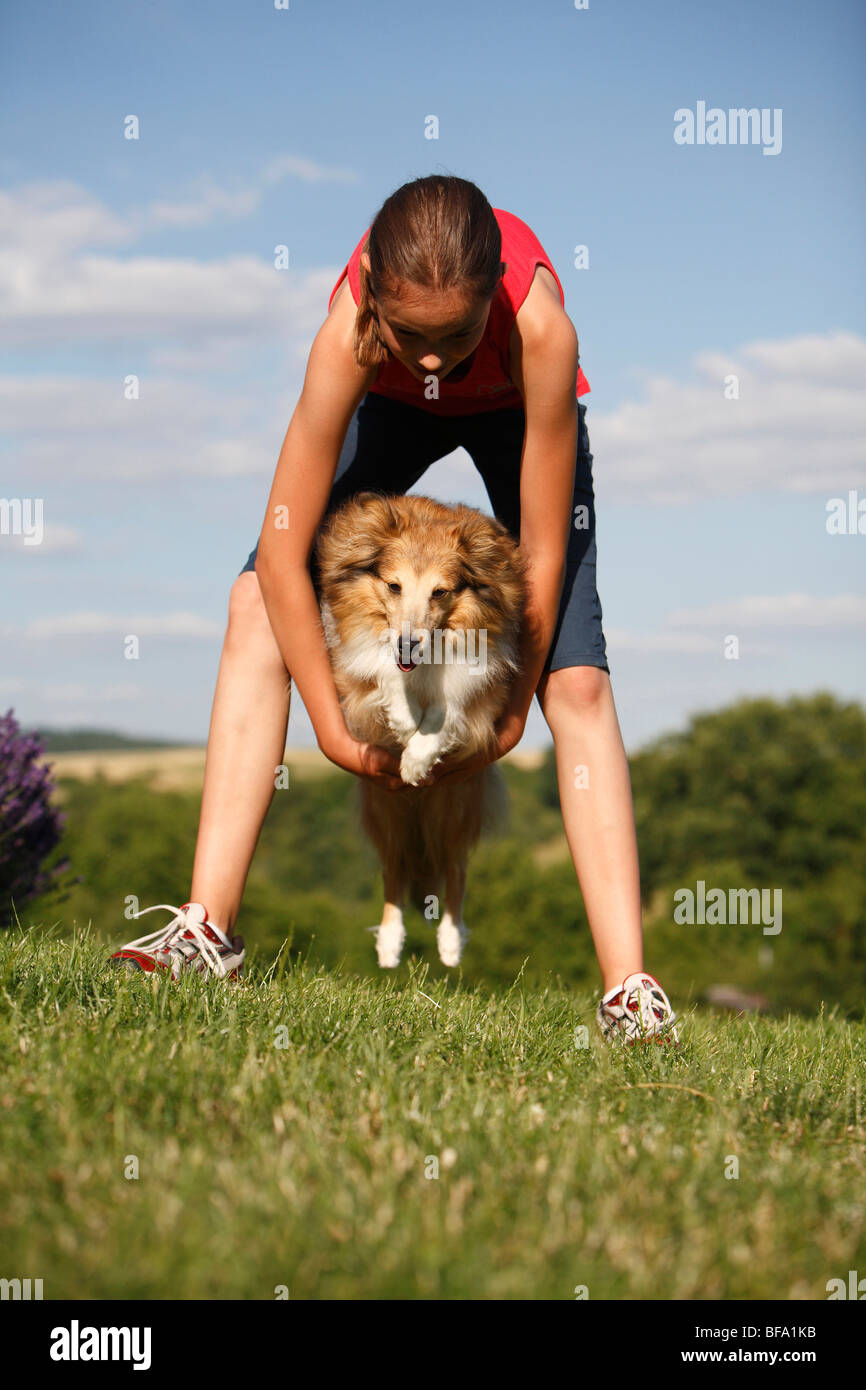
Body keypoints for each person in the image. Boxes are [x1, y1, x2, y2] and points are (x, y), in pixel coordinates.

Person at [110, 175, 678, 1044]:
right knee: (252, 603)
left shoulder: (542, 332)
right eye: (411, 335)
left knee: (581, 687)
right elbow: (281, 546)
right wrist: (333, 735)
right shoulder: (349, 334)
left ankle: (630, 993)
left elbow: (542, 556)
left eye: (455, 336)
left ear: (493, 299)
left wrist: (516, 711)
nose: (434, 361)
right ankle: (206, 930)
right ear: (374, 289)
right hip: (392, 419)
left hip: (517, 414)